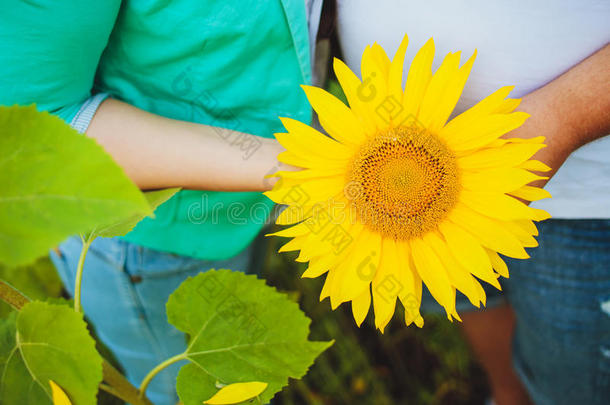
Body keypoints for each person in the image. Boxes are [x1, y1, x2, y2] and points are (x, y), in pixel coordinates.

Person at [0, 1, 324, 403]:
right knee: (192, 388)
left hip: (254, 193)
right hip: (149, 241)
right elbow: (46, 128)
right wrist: (302, 167)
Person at [335, 1, 610, 404]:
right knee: (472, 302)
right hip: (393, 193)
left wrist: (564, 116)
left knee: (573, 373)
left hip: (585, 197)